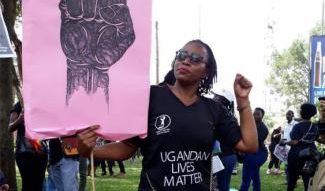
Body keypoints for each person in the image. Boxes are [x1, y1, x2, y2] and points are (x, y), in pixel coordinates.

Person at [77, 39, 258, 190]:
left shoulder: (213, 110)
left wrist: (243, 102)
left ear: (206, 71)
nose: (185, 61)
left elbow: (249, 145)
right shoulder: (150, 97)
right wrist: (89, 150)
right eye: (181, 55)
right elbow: (127, 147)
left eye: (195, 59)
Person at [9, 101, 48, 191]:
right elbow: (10, 127)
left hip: (41, 152)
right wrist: (19, 119)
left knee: (39, 186)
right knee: (28, 185)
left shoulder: (43, 104)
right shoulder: (20, 105)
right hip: (24, 152)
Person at [284, 103, 319, 191]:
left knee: (292, 179)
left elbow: (294, 142)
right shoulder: (315, 126)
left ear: (302, 112)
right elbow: (316, 138)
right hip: (311, 154)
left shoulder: (297, 126)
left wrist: (284, 142)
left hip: (296, 155)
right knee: (307, 179)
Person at [213, 92, 238, 191]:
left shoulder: (219, 116)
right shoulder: (231, 117)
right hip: (230, 156)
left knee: (221, 186)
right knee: (224, 185)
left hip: (223, 157)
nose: (213, 97)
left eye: (216, 96)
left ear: (222, 100)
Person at [239, 107, 269, 191]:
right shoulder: (252, 125)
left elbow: (253, 142)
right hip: (253, 153)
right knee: (255, 176)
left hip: (258, 153)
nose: (255, 115)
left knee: (246, 177)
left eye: (258, 114)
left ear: (262, 116)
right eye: (254, 113)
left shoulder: (262, 128)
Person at [280, 110, 298, 183]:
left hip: (293, 147)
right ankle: (288, 180)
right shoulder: (285, 124)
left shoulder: (296, 124)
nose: (287, 116)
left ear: (292, 115)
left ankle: (294, 181)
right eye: (286, 114)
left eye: (289, 114)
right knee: (286, 164)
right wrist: (281, 140)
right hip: (285, 146)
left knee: (293, 165)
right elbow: (283, 134)